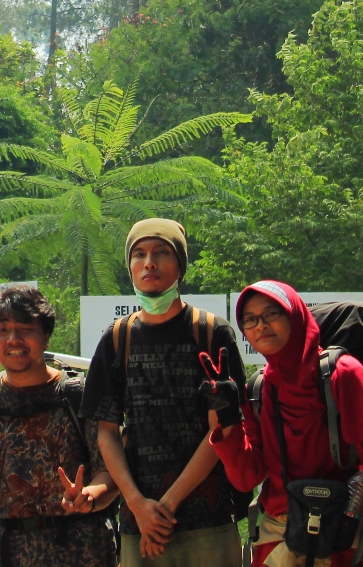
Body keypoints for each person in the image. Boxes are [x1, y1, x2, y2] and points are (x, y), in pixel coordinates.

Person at [83, 220, 249, 567]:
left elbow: (222, 430)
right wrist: (137, 504)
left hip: (208, 520)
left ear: (180, 266)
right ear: (129, 266)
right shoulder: (116, 340)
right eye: (139, 254)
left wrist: (167, 505)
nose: (149, 263)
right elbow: (107, 433)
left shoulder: (211, 333)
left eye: (162, 253)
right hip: (137, 525)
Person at [207, 281, 363, 567]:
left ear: (295, 315)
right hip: (280, 538)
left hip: (344, 538)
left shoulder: (344, 375)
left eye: (271, 314)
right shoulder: (259, 390)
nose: (260, 326)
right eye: (249, 320)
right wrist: (227, 420)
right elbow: (246, 478)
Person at [0, 285, 117, 567]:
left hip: (86, 551)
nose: (13, 340)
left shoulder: (81, 395)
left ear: (46, 336)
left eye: (25, 329)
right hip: (11, 554)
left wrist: (89, 496)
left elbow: (112, 471)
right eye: (2, 330)